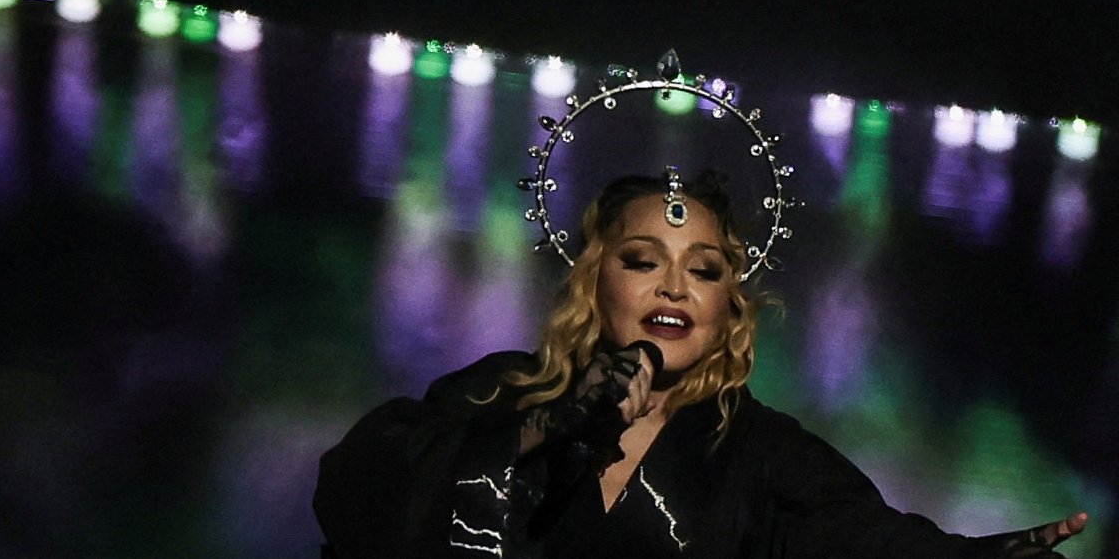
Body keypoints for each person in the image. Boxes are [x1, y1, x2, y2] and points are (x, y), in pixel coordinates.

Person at [313, 170, 1089, 558]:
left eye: (706, 269)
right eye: (645, 260)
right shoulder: (501, 390)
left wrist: (976, 558)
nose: (675, 286)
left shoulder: (761, 452)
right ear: (596, 278)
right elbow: (359, 488)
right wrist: (545, 427)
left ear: (728, 306)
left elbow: (876, 545)